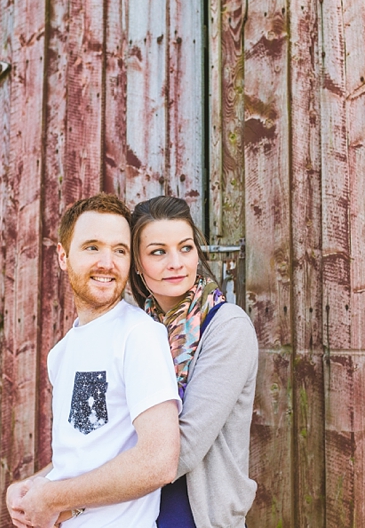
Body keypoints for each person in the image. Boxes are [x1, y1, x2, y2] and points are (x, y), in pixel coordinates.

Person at [6, 193, 182, 528]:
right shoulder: (62, 353)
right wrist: (30, 488)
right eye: (92, 247)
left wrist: (53, 498)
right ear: (63, 256)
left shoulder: (139, 335)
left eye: (120, 250)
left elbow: (160, 461)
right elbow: (84, 455)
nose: (107, 262)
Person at [129, 196, 258, 528]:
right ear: (138, 263)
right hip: (131, 510)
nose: (176, 262)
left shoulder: (227, 326)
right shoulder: (136, 329)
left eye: (185, 248)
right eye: (158, 252)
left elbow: (181, 450)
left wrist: (76, 491)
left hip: (195, 516)